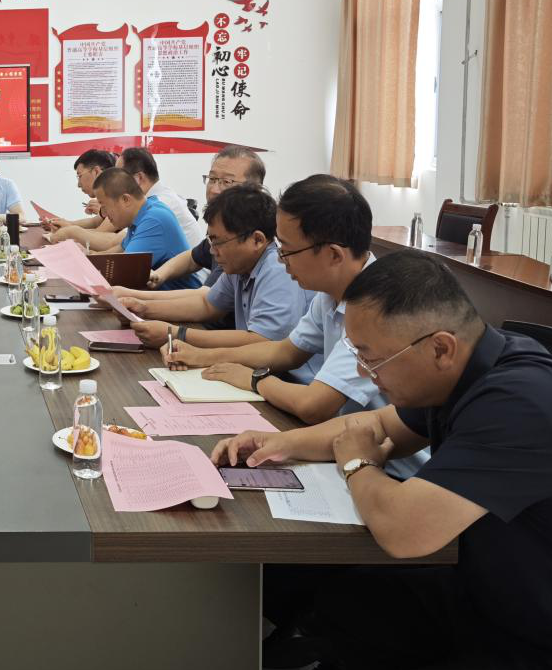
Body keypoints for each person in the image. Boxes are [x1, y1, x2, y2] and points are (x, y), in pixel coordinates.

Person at [222, 252, 552, 670]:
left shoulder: (518, 402)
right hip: (483, 587)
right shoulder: (464, 369)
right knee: (345, 599)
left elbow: (404, 530)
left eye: (372, 359)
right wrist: (278, 443)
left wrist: (358, 464)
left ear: (440, 348)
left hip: (531, 631)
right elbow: (378, 424)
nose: (365, 373)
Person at [174, 176, 424, 476]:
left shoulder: (376, 306)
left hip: (392, 470)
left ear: (333, 255)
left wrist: (255, 380)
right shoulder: (330, 292)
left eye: (288, 251)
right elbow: (286, 351)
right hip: (339, 445)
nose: (281, 260)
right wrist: (204, 357)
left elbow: (314, 405)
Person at [121, 186, 316, 367]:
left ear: (257, 240)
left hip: (292, 377)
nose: (212, 251)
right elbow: (208, 305)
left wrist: (177, 334)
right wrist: (144, 309)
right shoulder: (240, 266)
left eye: (218, 242)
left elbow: (262, 341)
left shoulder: (277, 269)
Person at [144, 145, 265, 290]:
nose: (214, 190)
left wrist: (135, 299)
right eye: (212, 179)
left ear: (255, 190)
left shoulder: (244, 237)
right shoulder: (221, 224)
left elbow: (206, 299)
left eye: (227, 182)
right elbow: (193, 258)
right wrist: (159, 275)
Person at [90, 167, 199, 289]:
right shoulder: (142, 212)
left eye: (104, 206)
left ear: (125, 200)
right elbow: (118, 252)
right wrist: (89, 255)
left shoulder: (154, 219)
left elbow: (122, 272)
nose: (104, 214)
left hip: (179, 299)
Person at [118, 147, 205, 247]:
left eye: (118, 178)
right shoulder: (159, 196)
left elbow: (117, 241)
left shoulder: (160, 204)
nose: (115, 185)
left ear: (139, 178)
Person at [38, 149, 116, 232]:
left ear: (96, 172)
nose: (78, 185)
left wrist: (68, 229)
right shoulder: (108, 198)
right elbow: (94, 222)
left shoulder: (116, 199)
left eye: (80, 176)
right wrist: (62, 223)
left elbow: (99, 234)